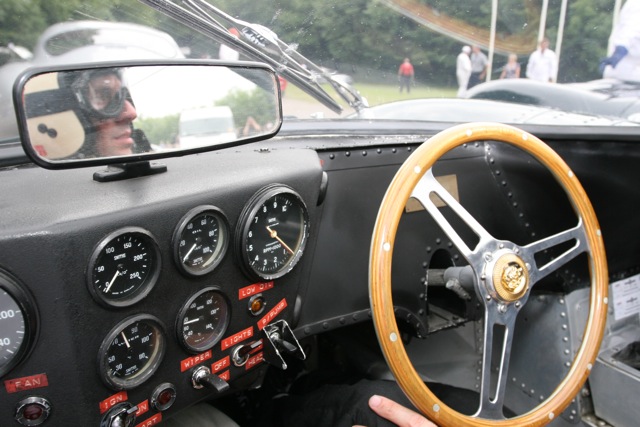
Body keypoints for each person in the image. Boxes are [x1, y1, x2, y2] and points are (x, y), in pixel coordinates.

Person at [600, 0, 640, 82]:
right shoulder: (636, 4)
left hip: (628, 73)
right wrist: (621, 50)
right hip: (626, 75)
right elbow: (631, 31)